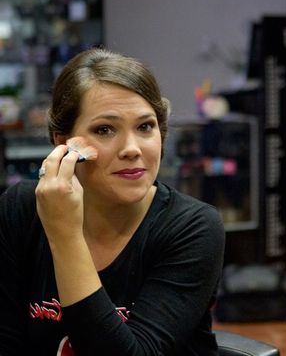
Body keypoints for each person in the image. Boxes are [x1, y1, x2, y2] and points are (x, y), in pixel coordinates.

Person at [0, 48, 225, 355]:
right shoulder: (21, 209)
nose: (132, 149)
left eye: (145, 126)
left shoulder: (193, 227)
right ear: (62, 143)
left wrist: (65, 236)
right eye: (104, 130)